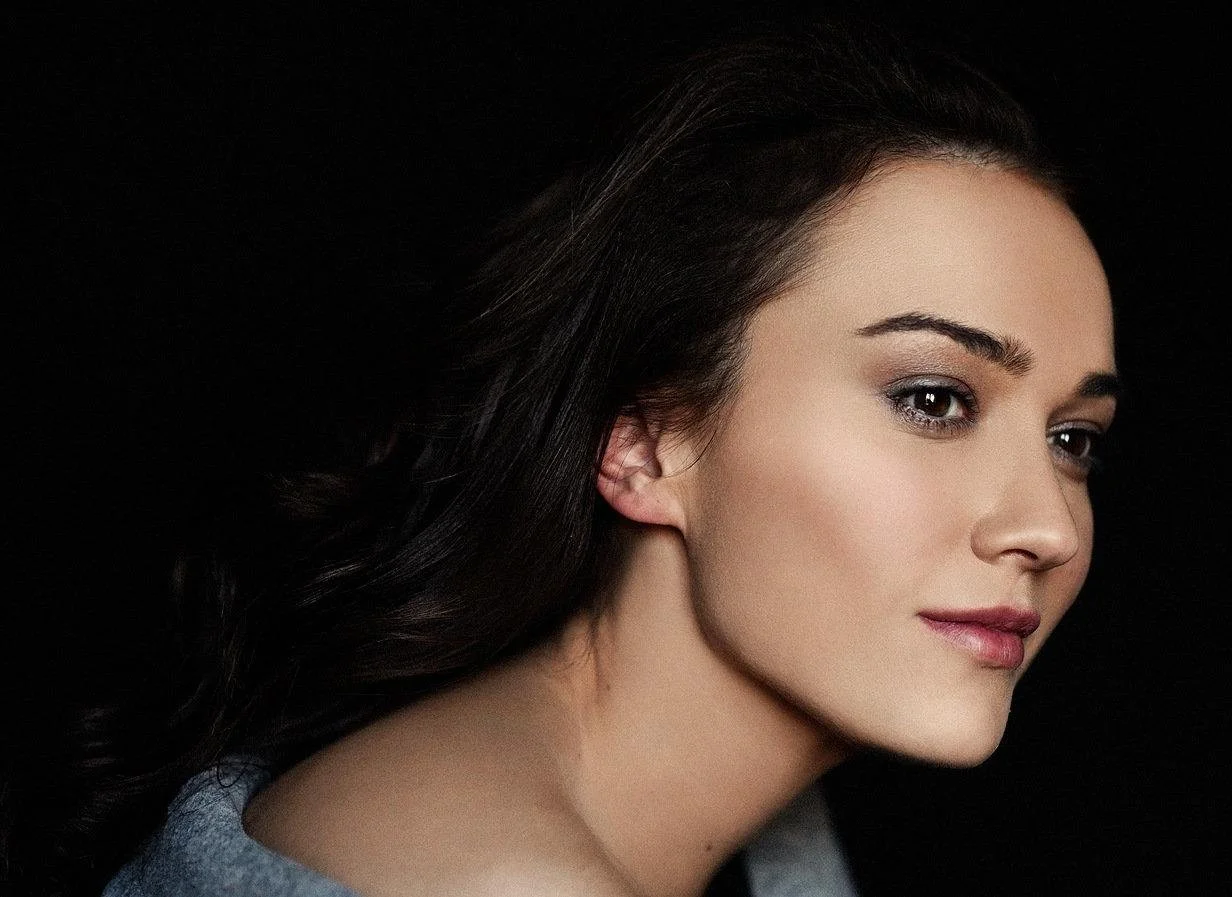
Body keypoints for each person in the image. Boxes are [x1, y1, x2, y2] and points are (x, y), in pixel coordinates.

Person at [78, 14, 1120, 897]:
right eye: (933, 400)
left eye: (1072, 439)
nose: (1047, 527)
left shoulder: (711, 827)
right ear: (644, 443)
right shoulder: (497, 876)